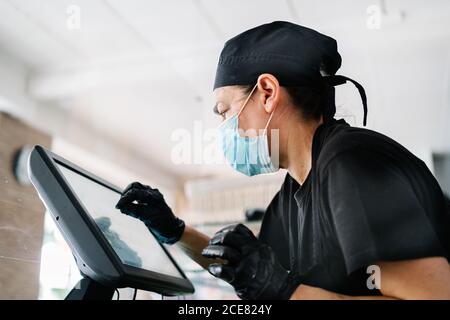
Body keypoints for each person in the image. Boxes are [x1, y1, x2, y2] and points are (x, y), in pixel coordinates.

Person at [115, 21, 450, 299]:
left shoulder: (351, 163)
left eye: (225, 112)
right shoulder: (292, 195)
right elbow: (245, 269)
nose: (223, 128)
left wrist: (285, 291)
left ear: (268, 93)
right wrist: (174, 231)